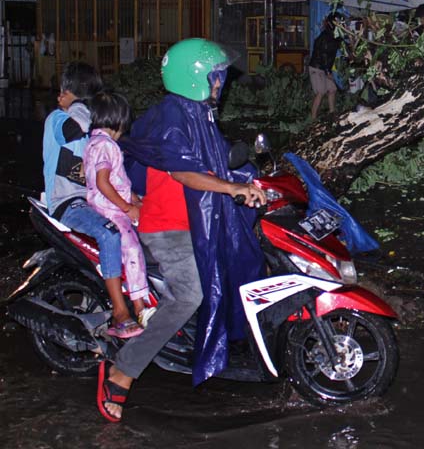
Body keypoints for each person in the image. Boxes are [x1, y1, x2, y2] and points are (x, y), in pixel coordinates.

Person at [96, 39, 266, 423]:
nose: (221, 84)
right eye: (216, 77)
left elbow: (218, 160)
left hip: (195, 223)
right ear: (196, 78)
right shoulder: (173, 117)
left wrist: (250, 180)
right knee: (190, 296)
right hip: (167, 228)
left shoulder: (197, 113)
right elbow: (183, 172)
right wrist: (232, 188)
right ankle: (123, 370)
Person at [42, 63, 129, 334]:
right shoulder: (59, 119)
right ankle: (120, 311)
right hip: (68, 203)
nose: (59, 96)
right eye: (61, 92)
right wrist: (78, 102)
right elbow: (71, 131)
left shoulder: (93, 128)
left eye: (63, 91)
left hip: (91, 201)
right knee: (109, 234)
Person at [84, 91, 153, 337]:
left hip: (108, 205)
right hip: (111, 210)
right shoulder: (106, 145)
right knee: (133, 248)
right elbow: (103, 182)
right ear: (119, 121)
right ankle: (140, 306)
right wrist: (126, 207)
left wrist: (134, 197)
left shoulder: (94, 142)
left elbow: (116, 179)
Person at [308, 13, 343, 120]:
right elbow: (323, 55)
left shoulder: (334, 36)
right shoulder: (326, 37)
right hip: (317, 67)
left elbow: (342, 45)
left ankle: (332, 113)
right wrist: (328, 71)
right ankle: (313, 119)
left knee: (332, 89)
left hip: (324, 68)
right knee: (321, 91)